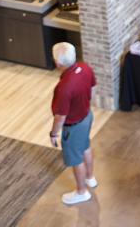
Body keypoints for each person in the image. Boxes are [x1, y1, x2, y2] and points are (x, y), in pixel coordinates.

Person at [49, 42, 97, 205]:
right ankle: (90, 178)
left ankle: (81, 192)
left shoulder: (64, 88)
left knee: (76, 159)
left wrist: (54, 133)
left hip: (74, 127)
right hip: (87, 117)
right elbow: (92, 89)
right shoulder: (85, 68)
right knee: (85, 146)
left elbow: (60, 116)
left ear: (58, 63)